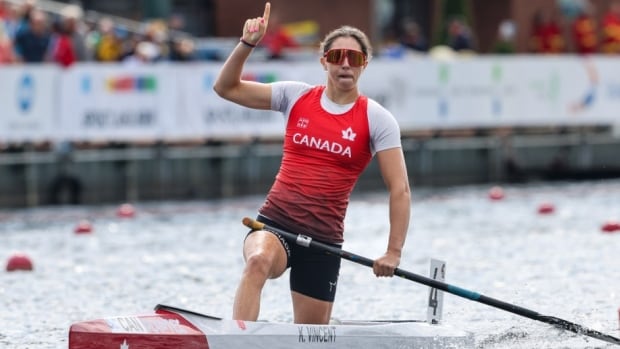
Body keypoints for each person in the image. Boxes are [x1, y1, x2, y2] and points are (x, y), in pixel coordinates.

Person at [213, 2, 411, 324]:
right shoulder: (295, 96)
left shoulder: (377, 119)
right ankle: (239, 339)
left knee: (310, 338)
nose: (344, 64)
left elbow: (400, 190)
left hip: (324, 243)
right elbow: (226, 88)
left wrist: (393, 252)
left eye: (354, 58)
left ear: (365, 65)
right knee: (258, 262)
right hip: (274, 225)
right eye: (336, 56)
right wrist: (247, 44)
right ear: (323, 61)